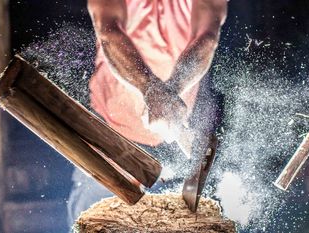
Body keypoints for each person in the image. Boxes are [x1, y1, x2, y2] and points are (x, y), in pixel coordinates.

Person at [67, 0, 227, 227]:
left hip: (170, 141)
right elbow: (109, 32)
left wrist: (171, 91)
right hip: (107, 133)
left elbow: (207, 38)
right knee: (99, 224)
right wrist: (151, 90)